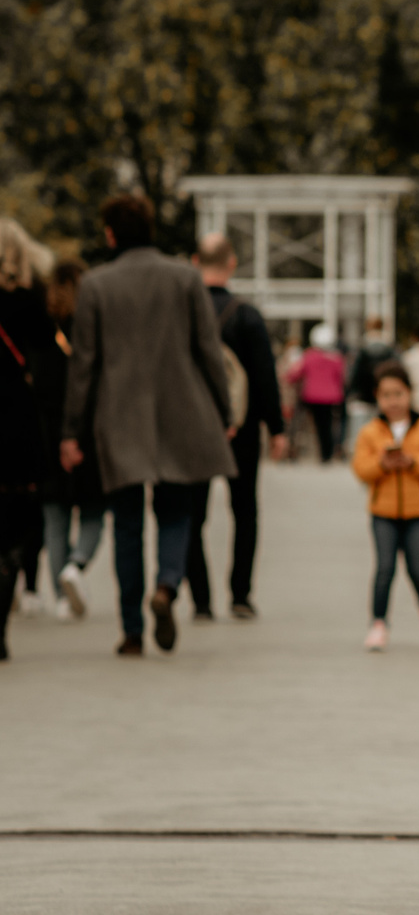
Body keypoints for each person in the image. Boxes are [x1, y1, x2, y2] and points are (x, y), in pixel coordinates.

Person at [60, 193, 238, 657]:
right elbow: (208, 351)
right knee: (178, 512)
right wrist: (223, 412)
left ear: (111, 233)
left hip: (119, 418)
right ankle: (166, 586)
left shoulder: (97, 285)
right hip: (180, 412)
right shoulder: (184, 277)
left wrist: (71, 431)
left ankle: (132, 630)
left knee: (127, 524)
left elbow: (84, 366)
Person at [189, 234, 284, 619]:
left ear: (195, 262)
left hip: (194, 429)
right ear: (231, 263)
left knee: (192, 515)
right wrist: (275, 428)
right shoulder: (247, 315)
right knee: (244, 510)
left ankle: (200, 599)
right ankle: (240, 595)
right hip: (241, 430)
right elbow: (264, 377)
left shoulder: (186, 313)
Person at [349, 365, 419, 651]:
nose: (393, 401)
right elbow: (360, 468)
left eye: (398, 394)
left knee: (418, 568)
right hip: (383, 512)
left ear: (409, 394)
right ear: (377, 398)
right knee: (384, 568)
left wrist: (413, 462)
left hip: (418, 511)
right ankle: (378, 623)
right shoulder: (371, 431)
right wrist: (382, 464)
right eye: (386, 395)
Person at [0, 217, 61, 652]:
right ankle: (0, 627)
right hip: (15, 419)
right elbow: (49, 349)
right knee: (15, 524)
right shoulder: (32, 300)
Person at [38, 257, 105, 620]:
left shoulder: (42, 329)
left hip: (47, 433)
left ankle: (61, 598)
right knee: (94, 509)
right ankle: (76, 566)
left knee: (55, 516)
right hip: (87, 430)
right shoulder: (92, 329)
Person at [287, 325, 348, 463]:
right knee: (326, 425)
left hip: (311, 396)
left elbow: (294, 374)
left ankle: (294, 449)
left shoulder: (309, 356)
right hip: (331, 397)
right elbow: (342, 378)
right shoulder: (337, 358)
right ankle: (327, 453)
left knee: (305, 422)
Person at [347, 316, 398, 439]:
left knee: (363, 431)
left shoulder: (361, 348)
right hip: (384, 392)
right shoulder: (389, 348)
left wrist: (352, 391)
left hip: (363, 395)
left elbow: (354, 373)